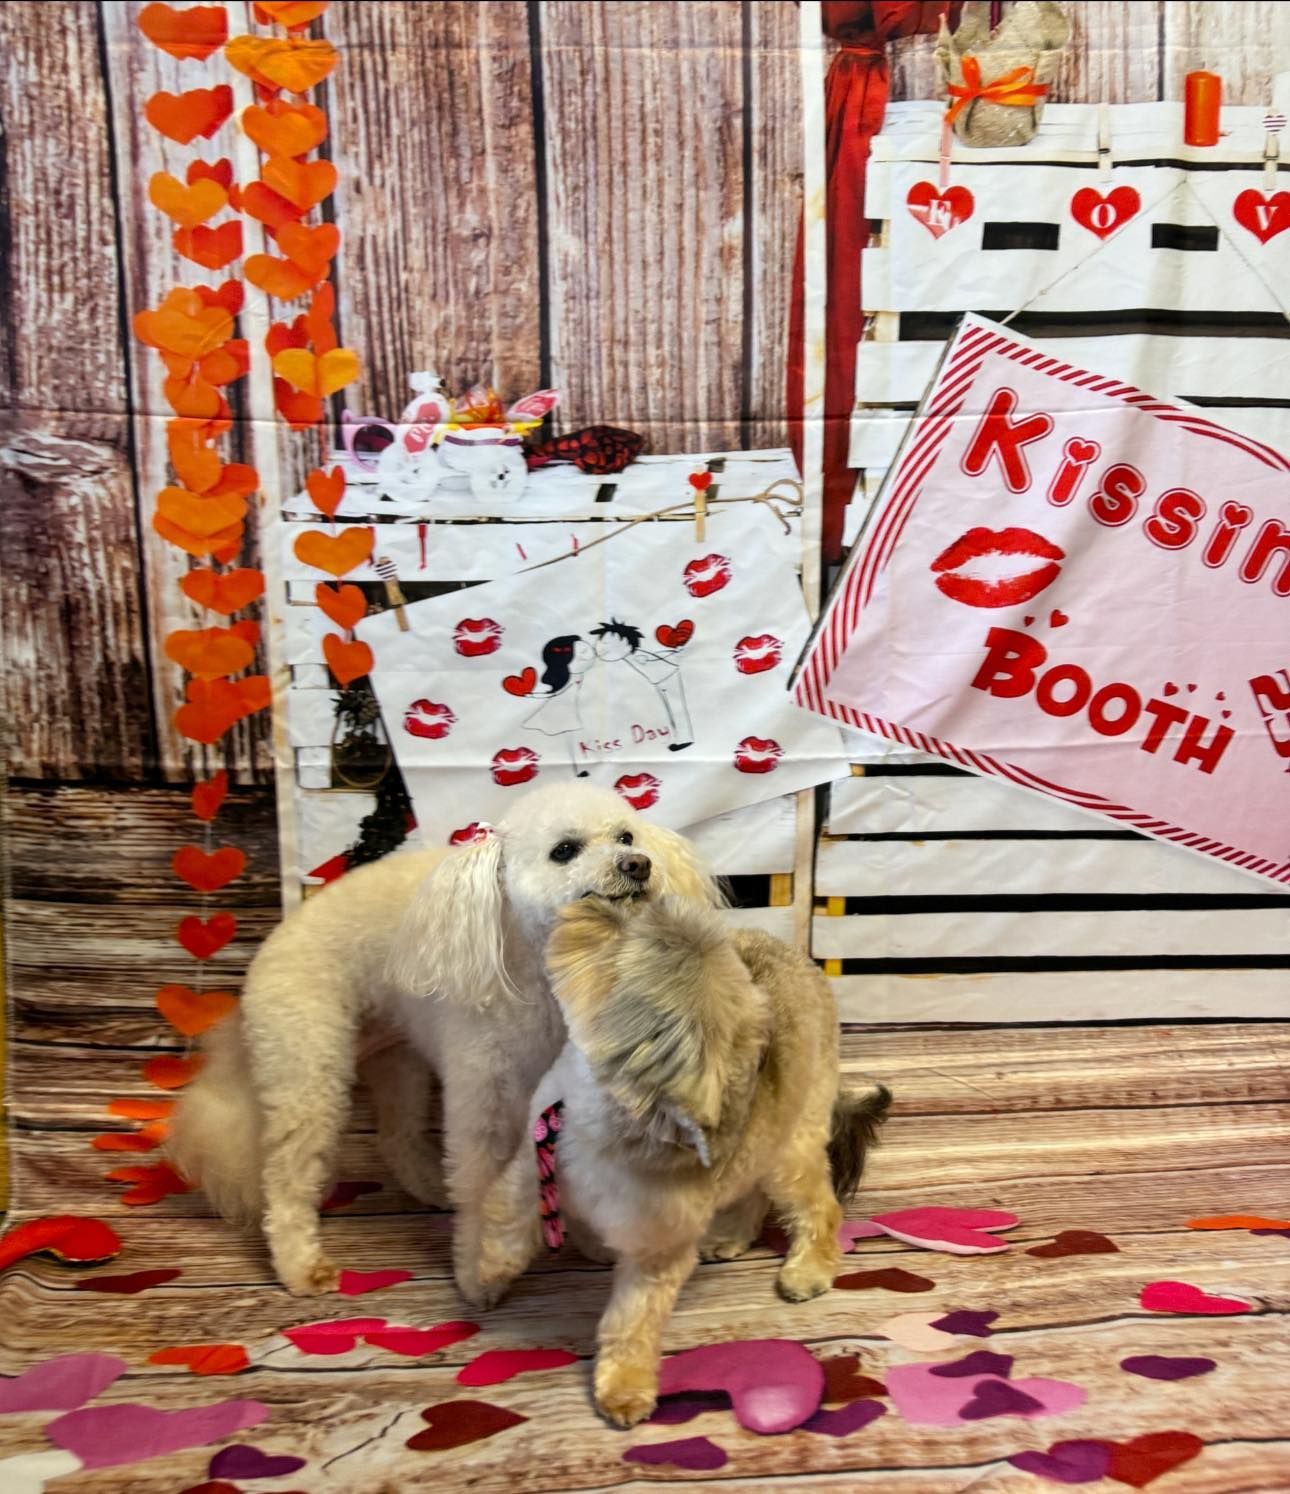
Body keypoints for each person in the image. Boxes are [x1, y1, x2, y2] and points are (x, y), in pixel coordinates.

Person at [591, 619, 693, 751]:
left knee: (676, 708)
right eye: (601, 643)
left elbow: (656, 659)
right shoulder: (631, 656)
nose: (601, 648)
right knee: (673, 708)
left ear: (625, 642)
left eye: (606, 643)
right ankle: (682, 737)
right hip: (660, 681)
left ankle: (685, 738)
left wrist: (674, 654)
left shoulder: (638, 656)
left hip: (669, 677)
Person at [523, 635, 596, 775]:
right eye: (582, 653)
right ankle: (575, 769)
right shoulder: (570, 678)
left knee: (571, 740)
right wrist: (534, 695)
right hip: (561, 712)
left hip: (571, 711)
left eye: (587, 650)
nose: (589, 655)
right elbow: (555, 693)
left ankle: (576, 769)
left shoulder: (580, 675)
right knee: (569, 741)